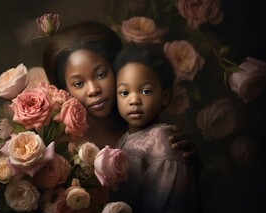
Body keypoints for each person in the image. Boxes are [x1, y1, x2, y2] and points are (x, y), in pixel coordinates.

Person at [43, 21, 196, 156]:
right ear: (64, 89)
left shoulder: (152, 126)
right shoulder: (60, 149)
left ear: (118, 68)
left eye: (101, 74)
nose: (93, 90)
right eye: (78, 84)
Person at [108, 42, 201, 213]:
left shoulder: (164, 143)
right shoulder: (123, 139)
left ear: (165, 96)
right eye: (124, 93)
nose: (134, 100)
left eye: (146, 91)